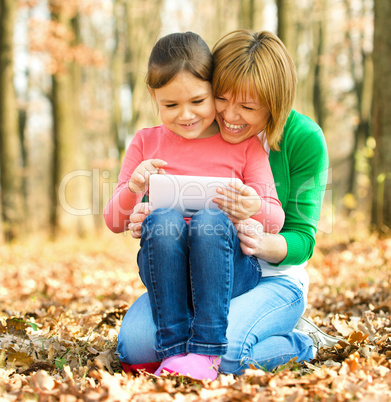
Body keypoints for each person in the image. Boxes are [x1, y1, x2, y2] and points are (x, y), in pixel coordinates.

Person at [114, 29, 332, 377]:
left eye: (247, 106)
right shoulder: (197, 123)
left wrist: (260, 240)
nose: (229, 115)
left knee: (227, 353)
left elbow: (303, 240)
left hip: (270, 277)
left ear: (275, 104)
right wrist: (143, 212)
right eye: (222, 98)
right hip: (199, 276)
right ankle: (192, 349)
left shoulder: (303, 139)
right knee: (136, 346)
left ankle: (300, 342)